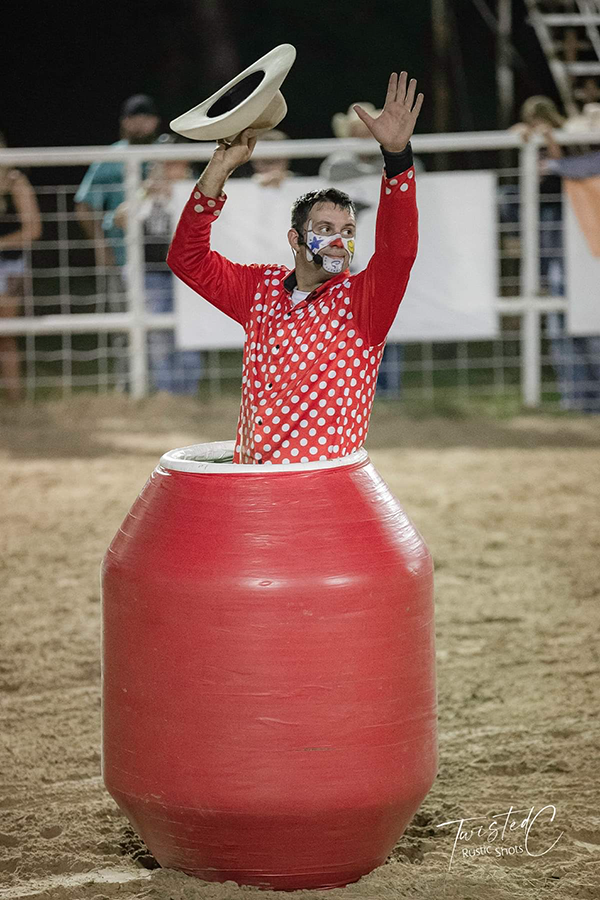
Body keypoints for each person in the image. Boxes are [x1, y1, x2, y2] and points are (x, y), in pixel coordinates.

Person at [167, 71, 423, 464]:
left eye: (348, 230)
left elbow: (398, 254)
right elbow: (186, 259)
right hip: (253, 486)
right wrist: (221, 165)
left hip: (319, 491)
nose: (340, 240)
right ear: (295, 240)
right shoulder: (260, 289)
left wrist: (397, 157)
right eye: (325, 229)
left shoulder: (361, 303)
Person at [319, 102, 425, 398]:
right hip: (357, 260)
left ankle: (388, 390)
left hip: (374, 255)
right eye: (359, 131)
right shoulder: (337, 164)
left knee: (386, 318)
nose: (365, 136)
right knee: (353, 323)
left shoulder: (339, 165)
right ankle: (358, 391)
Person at [506, 96, 600, 411]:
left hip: (572, 228)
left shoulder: (574, 139)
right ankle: (577, 396)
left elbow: (570, 175)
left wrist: (551, 146)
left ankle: (581, 396)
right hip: (554, 232)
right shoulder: (547, 139)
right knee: (561, 316)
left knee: (576, 313)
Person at [75, 95, 161, 389]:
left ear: (155, 121)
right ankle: (127, 386)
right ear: (124, 123)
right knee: (125, 324)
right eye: (133, 117)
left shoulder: (167, 154)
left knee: (164, 324)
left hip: (164, 257)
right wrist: (100, 244)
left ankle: (166, 388)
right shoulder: (112, 156)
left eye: (145, 117)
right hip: (121, 253)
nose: (139, 123)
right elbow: (84, 204)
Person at [112, 136, 202, 395]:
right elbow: (120, 219)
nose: (168, 167)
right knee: (159, 335)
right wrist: (146, 192)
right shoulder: (144, 191)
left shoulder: (196, 188)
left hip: (188, 273)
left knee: (191, 329)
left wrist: (177, 193)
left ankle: (187, 390)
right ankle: (166, 390)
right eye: (163, 162)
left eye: (174, 162)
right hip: (152, 271)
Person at [0, 132, 41, 402]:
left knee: (6, 335)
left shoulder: (15, 182)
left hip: (9, 265)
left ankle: (15, 401)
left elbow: (33, 229)